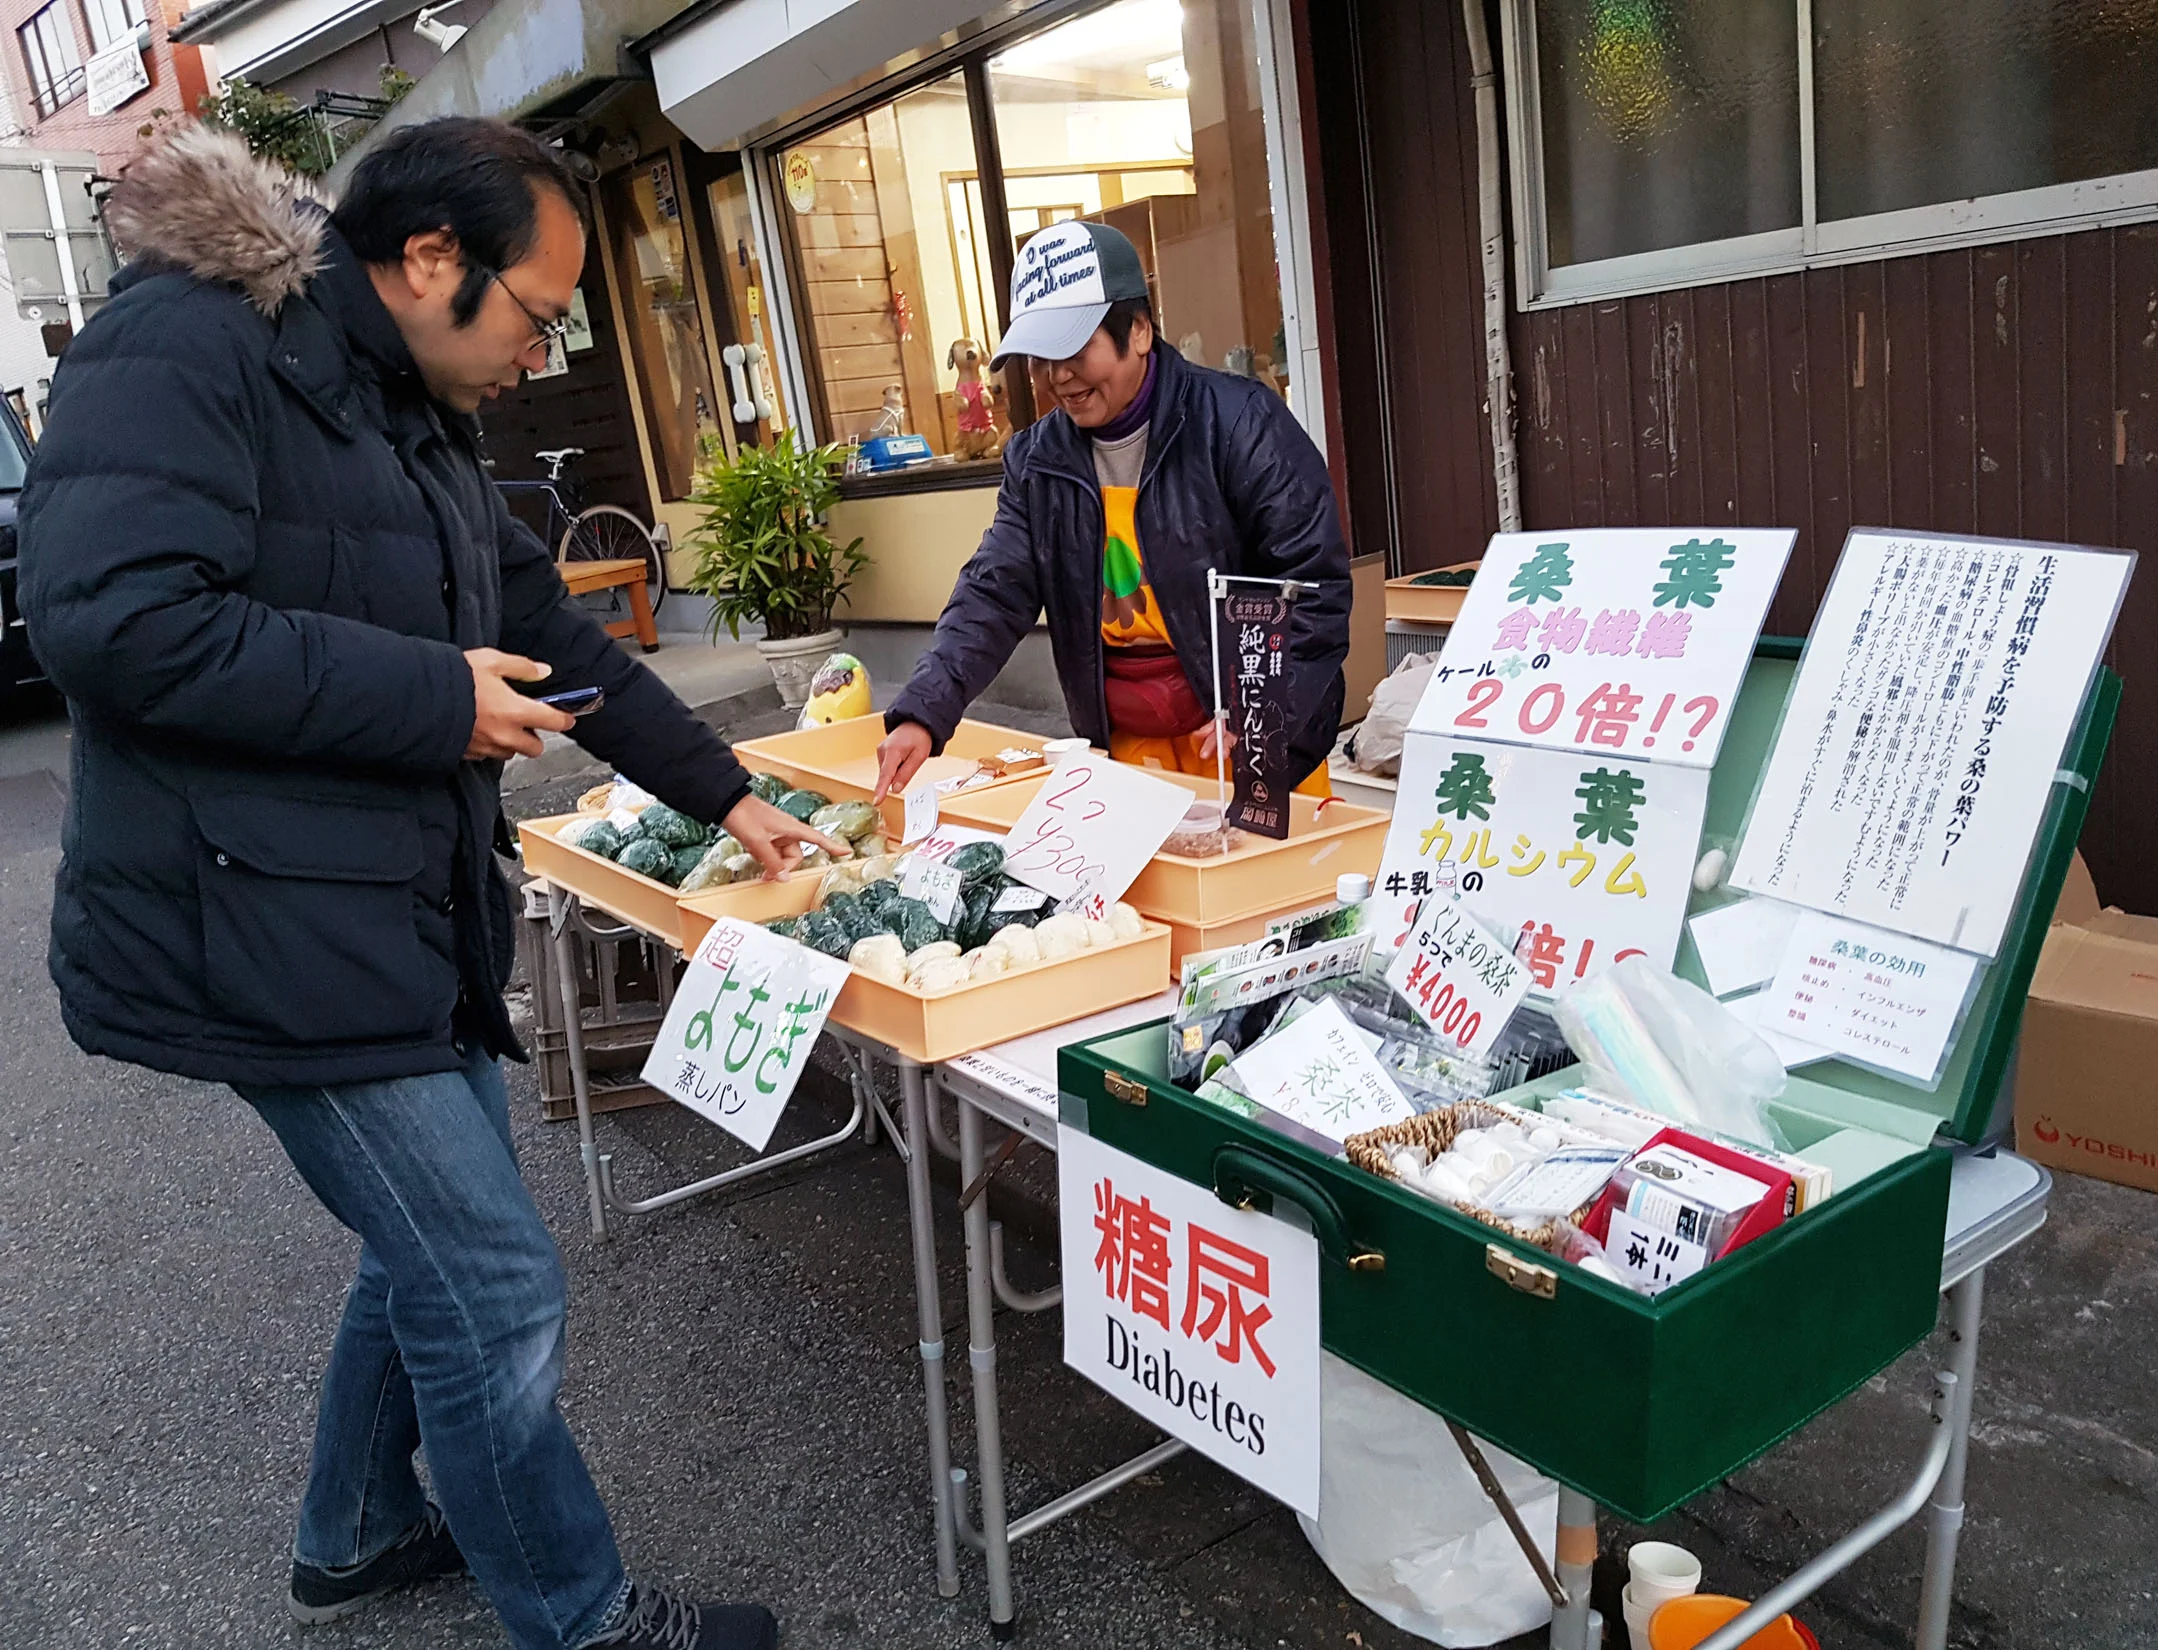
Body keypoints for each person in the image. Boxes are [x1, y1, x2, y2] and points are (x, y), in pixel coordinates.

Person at [17, 120, 827, 1650]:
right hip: (252, 921)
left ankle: (358, 1528)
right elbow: (110, 624)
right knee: (493, 1279)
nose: (543, 349)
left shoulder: (417, 403)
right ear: (430, 259)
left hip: (393, 908)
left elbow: (558, 643)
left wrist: (736, 797)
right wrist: (428, 698)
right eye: (537, 313)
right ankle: (578, 1621)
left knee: (439, 1243)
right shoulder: (186, 344)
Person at [874, 219, 1350, 806]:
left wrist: (1263, 713)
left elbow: (1311, 584)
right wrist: (924, 709)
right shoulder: (1037, 459)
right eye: (1038, 359)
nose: (1056, 377)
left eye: (1073, 350)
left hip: (1244, 740)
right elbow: (993, 593)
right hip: (1125, 751)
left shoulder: (1239, 424)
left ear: (1141, 331)